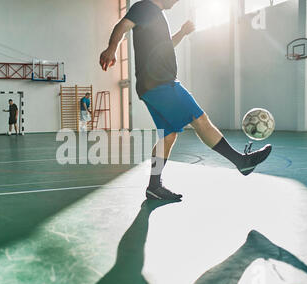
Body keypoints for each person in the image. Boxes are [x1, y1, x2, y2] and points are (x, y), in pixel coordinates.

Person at [99, 0, 272, 200]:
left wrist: (182, 32)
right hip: (161, 83)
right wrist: (112, 48)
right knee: (200, 119)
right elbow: (122, 26)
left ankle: (154, 186)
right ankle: (241, 162)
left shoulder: (156, 15)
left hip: (150, 86)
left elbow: (166, 46)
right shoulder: (145, 7)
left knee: (168, 136)